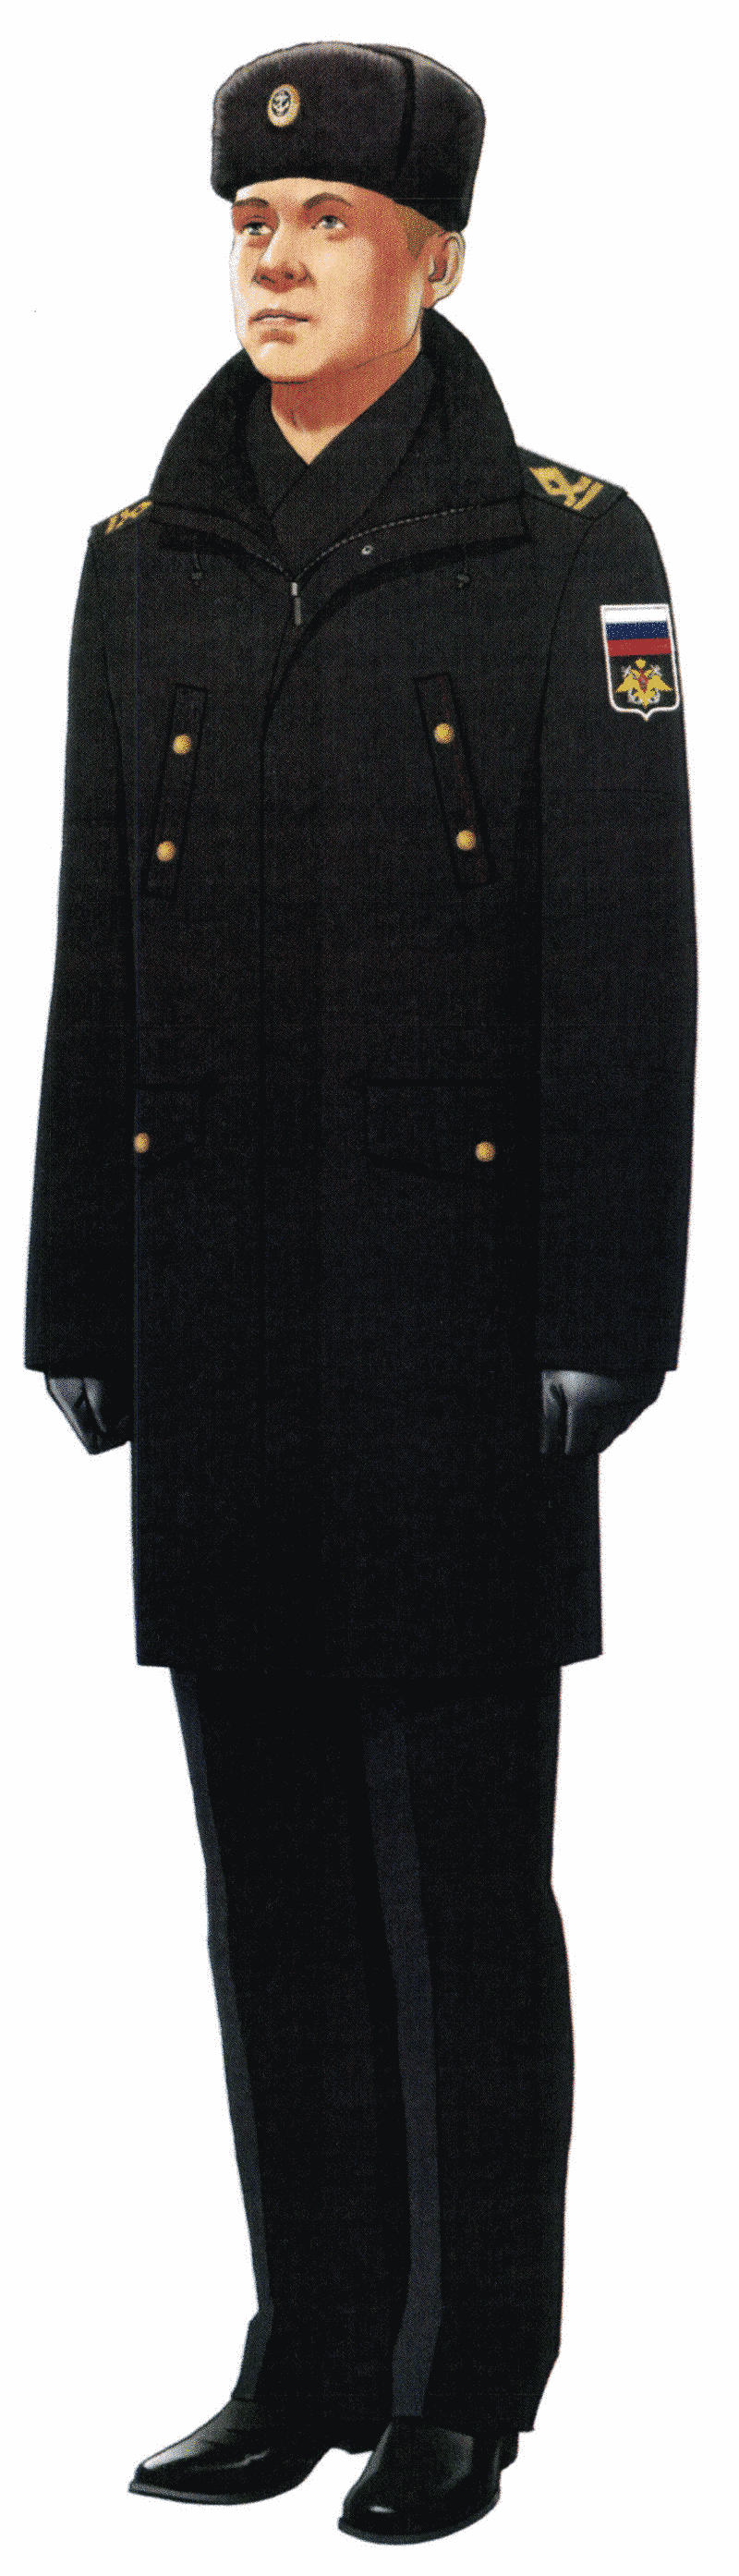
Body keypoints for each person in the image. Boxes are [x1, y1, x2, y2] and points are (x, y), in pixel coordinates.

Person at [25, 41, 697, 2546]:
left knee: (454, 1883)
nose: (276, 260)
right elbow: (97, 934)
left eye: (327, 219)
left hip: (458, 1327)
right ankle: (303, 2349)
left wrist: (606, 1312)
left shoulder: (570, 550)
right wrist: (76, 1285)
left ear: (436, 257)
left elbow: (626, 951)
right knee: (270, 1873)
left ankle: (461, 2377)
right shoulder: (144, 556)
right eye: (252, 220)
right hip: (218, 1313)